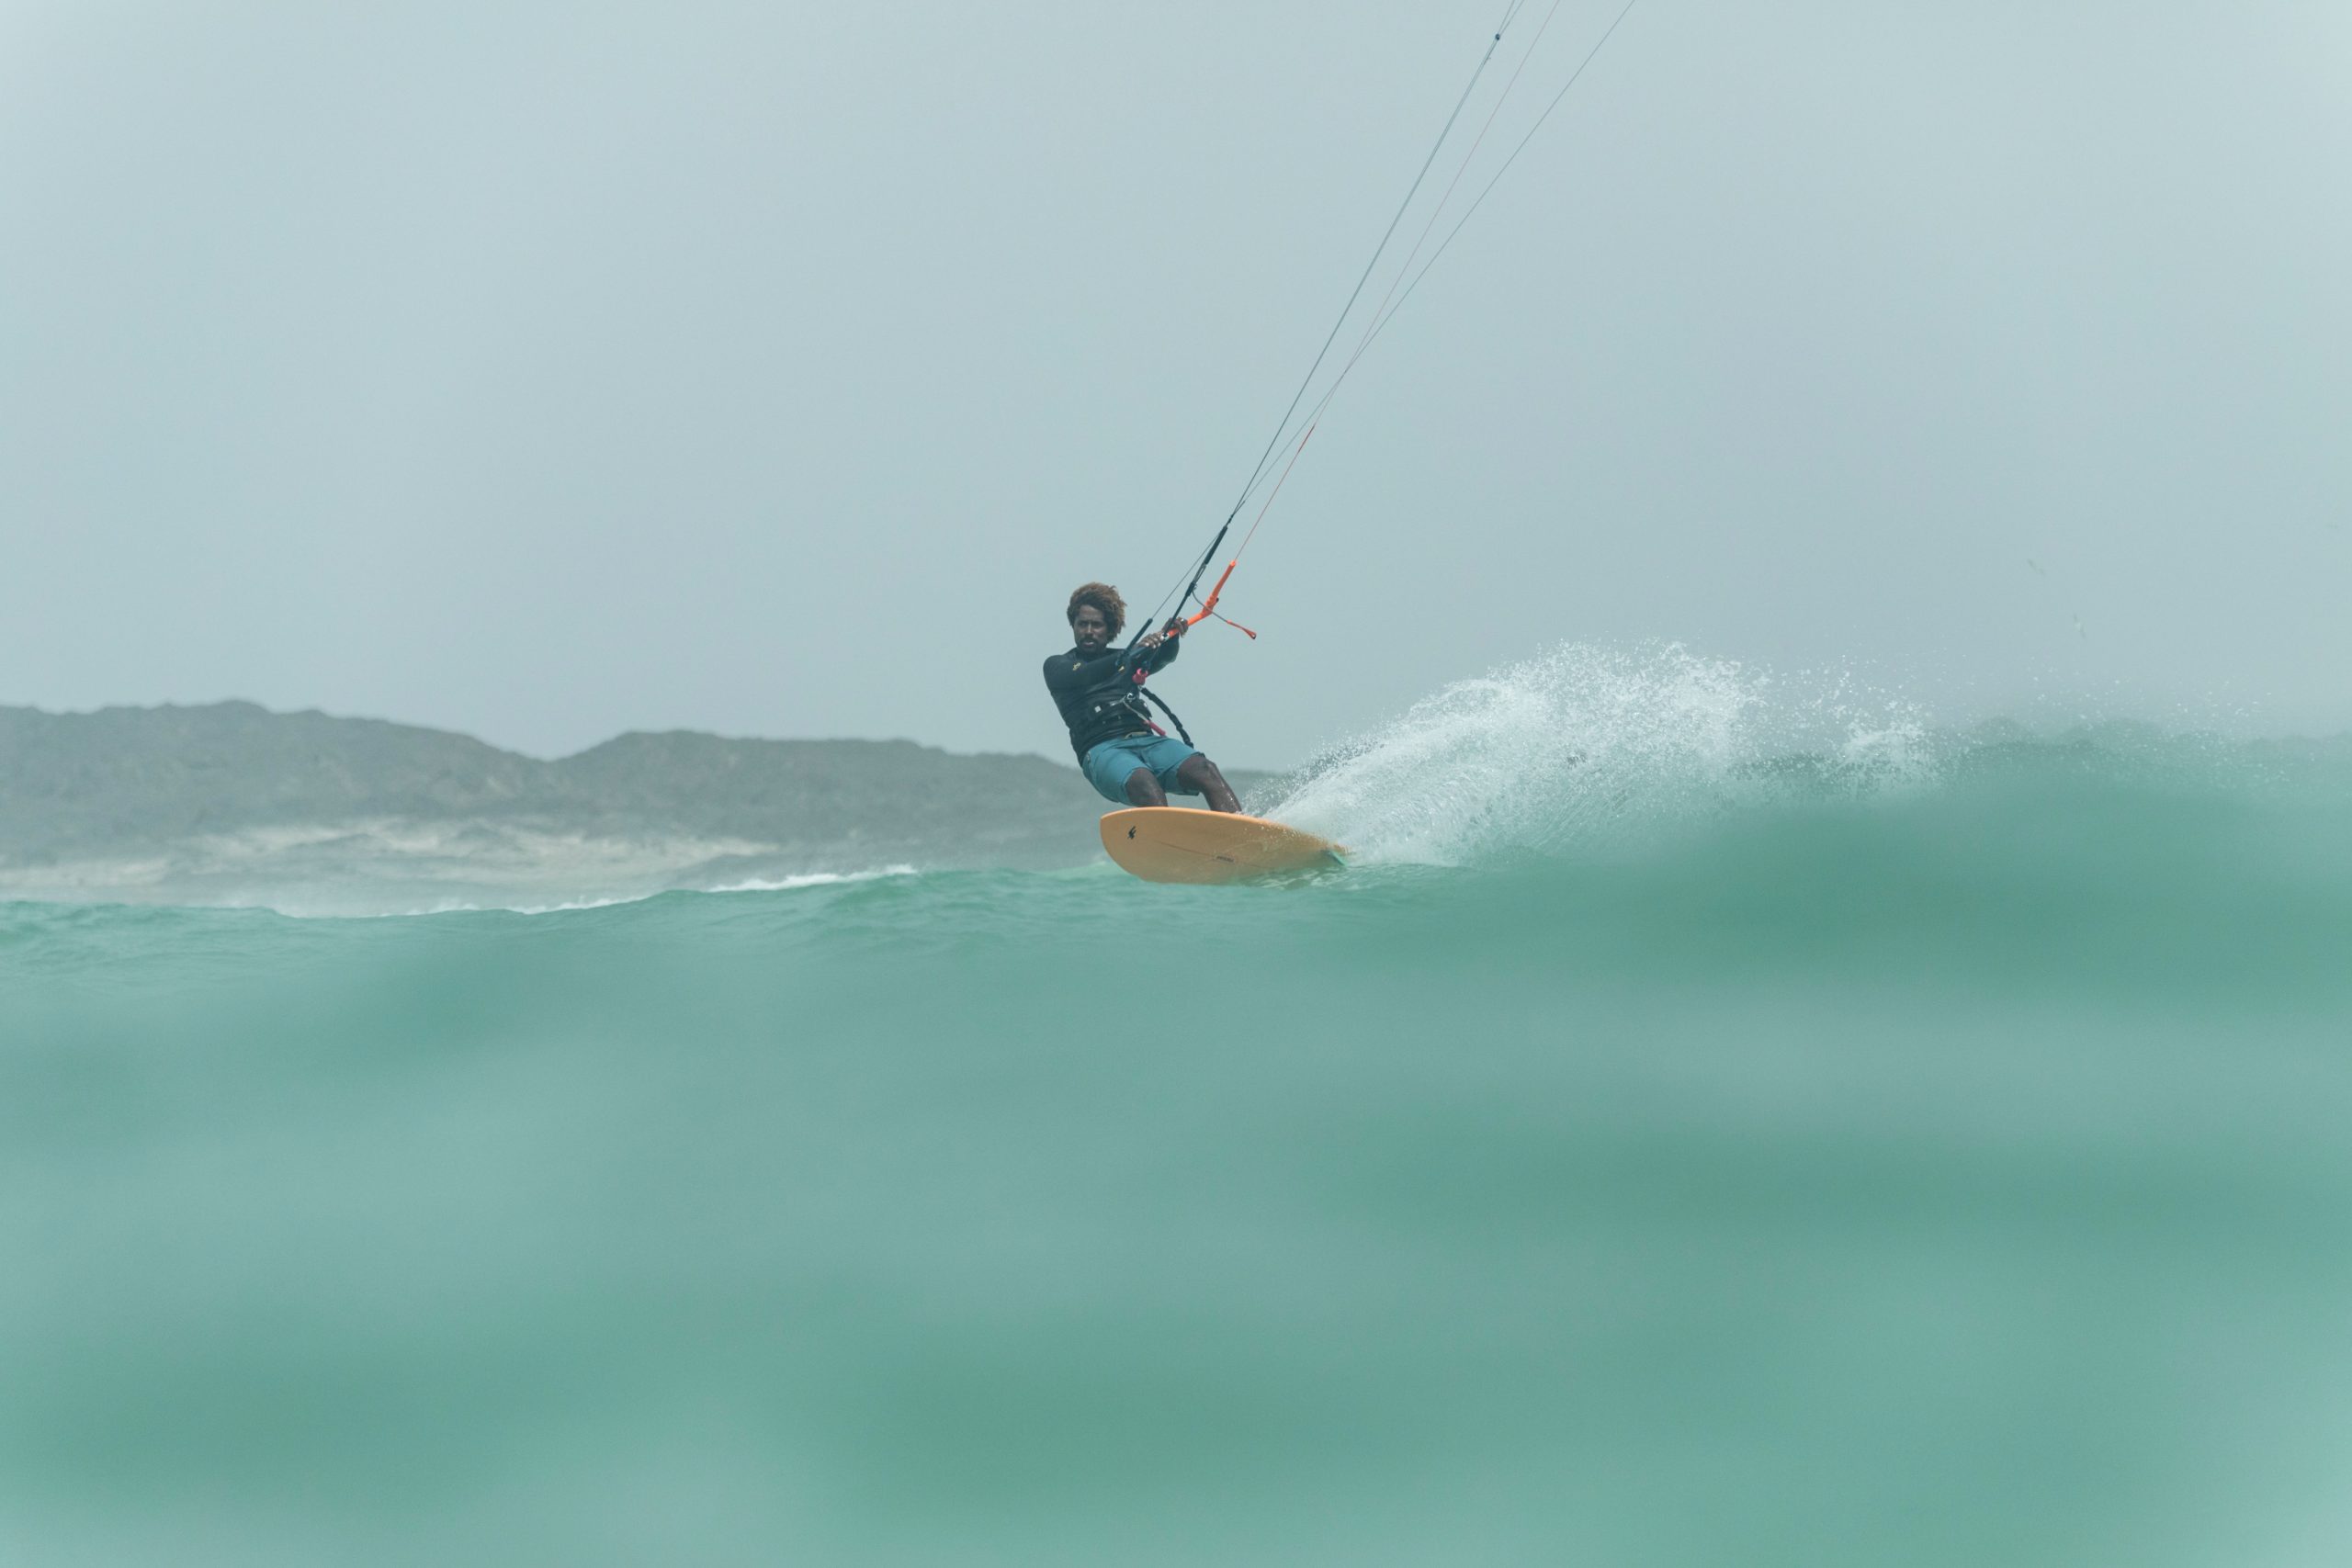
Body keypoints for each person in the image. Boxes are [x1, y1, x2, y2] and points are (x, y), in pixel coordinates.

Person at [1043, 581, 1241, 813]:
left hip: (1146, 740)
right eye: (1082, 624)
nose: (1088, 631)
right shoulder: (1058, 665)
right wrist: (1130, 655)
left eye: (1096, 625)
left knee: (1205, 769)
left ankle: (1243, 838)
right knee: (1146, 783)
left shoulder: (1127, 658)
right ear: (1073, 626)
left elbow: (1163, 658)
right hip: (1102, 750)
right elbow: (1088, 674)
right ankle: (1165, 844)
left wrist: (1171, 635)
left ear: (1110, 629)